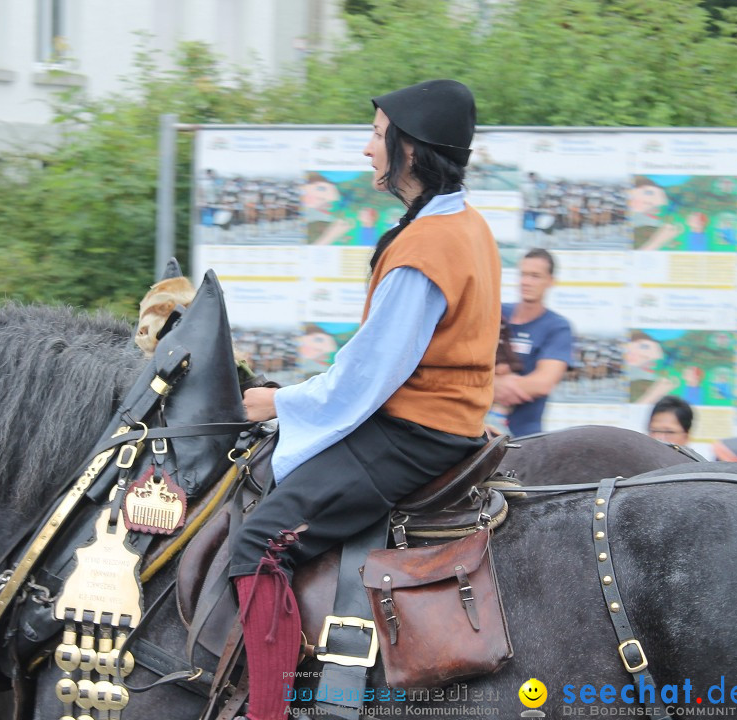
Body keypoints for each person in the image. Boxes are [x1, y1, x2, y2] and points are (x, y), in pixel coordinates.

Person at [231, 79, 500, 720]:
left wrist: (276, 403)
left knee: (258, 543)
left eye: (378, 136)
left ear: (410, 150)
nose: (366, 150)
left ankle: (268, 709)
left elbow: (365, 381)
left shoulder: (426, 249)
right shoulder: (465, 223)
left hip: (411, 435)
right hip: (440, 425)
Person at [494, 248, 573, 436]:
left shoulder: (558, 327)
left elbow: (543, 383)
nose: (526, 282)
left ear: (551, 281)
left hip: (526, 439)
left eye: (535, 276)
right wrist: (490, 384)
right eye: (523, 274)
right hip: (481, 434)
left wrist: (488, 387)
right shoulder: (495, 313)